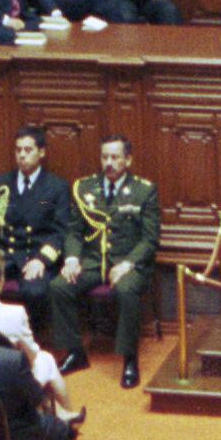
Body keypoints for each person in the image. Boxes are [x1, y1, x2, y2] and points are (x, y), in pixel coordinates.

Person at [57, 137, 159, 388]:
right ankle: (75, 351)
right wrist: (71, 257)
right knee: (59, 287)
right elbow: (73, 231)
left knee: (126, 291)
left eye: (115, 157)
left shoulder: (143, 190)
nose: (109, 163)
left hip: (128, 263)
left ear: (128, 159)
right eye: (105, 157)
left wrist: (128, 264)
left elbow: (150, 239)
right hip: (92, 261)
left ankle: (129, 359)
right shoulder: (85, 188)